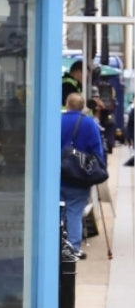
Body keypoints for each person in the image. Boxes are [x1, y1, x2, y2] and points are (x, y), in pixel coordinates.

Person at [61, 92, 105, 259]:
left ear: (67, 105)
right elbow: (97, 151)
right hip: (80, 177)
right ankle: (73, 248)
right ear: (83, 107)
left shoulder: (57, 120)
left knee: (57, 211)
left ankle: (55, 244)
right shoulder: (89, 123)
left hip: (59, 176)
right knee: (74, 212)